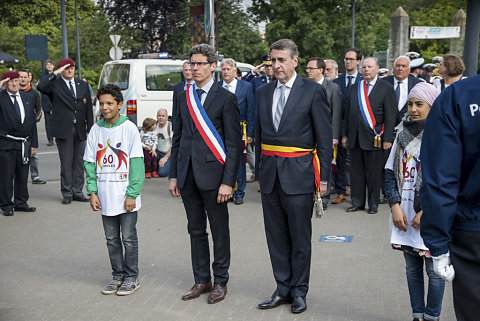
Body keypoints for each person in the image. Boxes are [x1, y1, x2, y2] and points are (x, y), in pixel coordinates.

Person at [255, 39, 331, 314]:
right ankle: (282, 288)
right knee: (275, 236)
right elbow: (259, 137)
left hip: (299, 176)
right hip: (270, 176)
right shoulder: (262, 92)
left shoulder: (312, 91)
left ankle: (299, 291)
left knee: (299, 237)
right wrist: (260, 172)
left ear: (295, 61)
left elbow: (324, 139)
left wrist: (323, 180)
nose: (276, 65)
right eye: (272, 60)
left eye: (281, 60)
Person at [168, 44, 241, 304]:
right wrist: (174, 175)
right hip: (187, 173)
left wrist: (228, 182)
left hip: (214, 176)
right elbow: (178, 137)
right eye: (192, 63)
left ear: (213, 66)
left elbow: (234, 144)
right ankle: (201, 279)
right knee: (195, 230)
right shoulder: (182, 95)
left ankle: (220, 281)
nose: (194, 68)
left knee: (219, 230)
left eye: (200, 63)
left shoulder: (226, 97)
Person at [420, 75, 480, 321]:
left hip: (472, 232)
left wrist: (438, 244)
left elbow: (441, 178)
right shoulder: (456, 98)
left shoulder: (458, 96)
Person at [385, 82, 444, 321]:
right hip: (404, 215)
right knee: (412, 269)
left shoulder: (442, 136)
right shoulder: (401, 134)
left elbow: (447, 180)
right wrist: (394, 205)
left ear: (433, 106)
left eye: (420, 104)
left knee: (435, 271)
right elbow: (389, 172)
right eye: (410, 103)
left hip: (432, 217)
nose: (413, 109)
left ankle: (432, 316)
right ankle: (417, 315)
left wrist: (428, 210)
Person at [84, 83, 145, 296]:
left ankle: (131, 277)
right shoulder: (95, 130)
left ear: (120, 104)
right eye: (101, 103)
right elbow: (90, 163)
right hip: (105, 196)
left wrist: (132, 194)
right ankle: (117, 275)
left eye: (110, 103)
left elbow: (137, 164)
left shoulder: (129, 129)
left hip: (125, 196)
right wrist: (92, 191)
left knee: (128, 237)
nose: (105, 107)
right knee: (111, 238)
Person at [342, 57, 396, 214]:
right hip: (355, 138)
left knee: (373, 174)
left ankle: (373, 204)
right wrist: (345, 135)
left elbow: (390, 116)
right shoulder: (355, 88)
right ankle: (357, 202)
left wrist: (387, 138)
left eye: (369, 67)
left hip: (375, 138)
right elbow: (348, 114)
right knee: (356, 173)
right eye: (364, 67)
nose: (365, 70)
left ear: (377, 68)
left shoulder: (386, 88)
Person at [37, 58, 93, 204]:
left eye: (72, 67)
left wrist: (90, 128)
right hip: (64, 128)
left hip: (80, 128)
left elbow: (88, 109)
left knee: (79, 161)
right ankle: (67, 193)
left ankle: (78, 191)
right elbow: (41, 87)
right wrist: (55, 73)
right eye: (66, 68)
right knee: (66, 162)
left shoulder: (82, 84)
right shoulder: (55, 84)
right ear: (61, 70)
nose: (70, 70)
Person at [306, 57, 342, 209]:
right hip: (308, 134)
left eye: (310, 68)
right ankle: (311, 193)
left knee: (325, 164)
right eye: (307, 68)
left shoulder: (332, 88)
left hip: (326, 134)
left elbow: (336, 113)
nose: (307, 71)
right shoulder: (305, 87)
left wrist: (334, 136)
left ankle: (324, 196)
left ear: (320, 70)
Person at [0, 71, 38, 216]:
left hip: (24, 143)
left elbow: (32, 122)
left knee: (22, 174)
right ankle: (6, 204)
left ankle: (21, 202)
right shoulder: (1, 97)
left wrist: (33, 143)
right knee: (6, 176)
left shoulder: (27, 97)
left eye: (16, 80)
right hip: (6, 143)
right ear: (5, 83)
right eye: (11, 81)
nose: (15, 84)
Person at [219, 58, 256, 204]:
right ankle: (225, 190)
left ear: (235, 71)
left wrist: (251, 134)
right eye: (223, 69)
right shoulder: (217, 86)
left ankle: (239, 192)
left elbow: (252, 111)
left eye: (228, 69)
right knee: (222, 159)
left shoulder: (245, 87)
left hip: (240, 129)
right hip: (221, 130)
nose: (226, 72)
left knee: (239, 161)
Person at [332, 48, 363, 205]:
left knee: (358, 162)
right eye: (345, 59)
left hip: (360, 128)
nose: (347, 61)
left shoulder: (364, 80)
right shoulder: (337, 82)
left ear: (358, 61)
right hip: (340, 126)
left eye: (351, 59)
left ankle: (358, 192)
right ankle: (341, 191)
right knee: (341, 161)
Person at [18, 69, 46, 185]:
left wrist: (32, 120)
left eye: (25, 77)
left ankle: (35, 176)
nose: (23, 79)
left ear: (29, 78)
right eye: (21, 77)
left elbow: (39, 110)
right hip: (16, 130)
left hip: (30, 128)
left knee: (33, 154)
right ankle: (16, 178)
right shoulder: (15, 92)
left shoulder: (34, 93)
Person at [171, 61, 194, 132]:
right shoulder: (178, 88)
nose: (188, 72)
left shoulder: (199, 86)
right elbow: (175, 109)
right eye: (185, 70)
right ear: (183, 72)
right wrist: (174, 128)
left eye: (190, 70)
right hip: (182, 126)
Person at [39, 59, 55, 146]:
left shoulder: (57, 75)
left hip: (55, 101)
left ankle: (58, 136)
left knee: (57, 121)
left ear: (53, 66)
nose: (49, 66)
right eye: (47, 65)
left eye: (51, 65)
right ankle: (50, 139)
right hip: (46, 101)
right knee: (48, 122)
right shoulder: (42, 75)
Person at [154, 108, 172, 177]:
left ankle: (169, 165)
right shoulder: (154, 126)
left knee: (162, 173)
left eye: (163, 116)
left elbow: (174, 145)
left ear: (167, 117)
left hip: (167, 153)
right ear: (157, 117)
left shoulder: (170, 126)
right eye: (159, 116)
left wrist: (165, 158)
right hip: (156, 152)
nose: (161, 117)